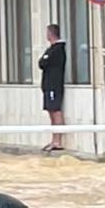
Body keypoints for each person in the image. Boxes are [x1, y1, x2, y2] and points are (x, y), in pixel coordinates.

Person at [39, 23, 67, 153]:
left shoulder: (57, 49)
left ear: (51, 34)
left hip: (54, 85)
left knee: (55, 110)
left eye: (47, 32)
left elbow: (43, 62)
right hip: (48, 85)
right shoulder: (51, 49)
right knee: (50, 111)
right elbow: (42, 62)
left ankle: (58, 141)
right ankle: (53, 139)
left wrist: (45, 59)